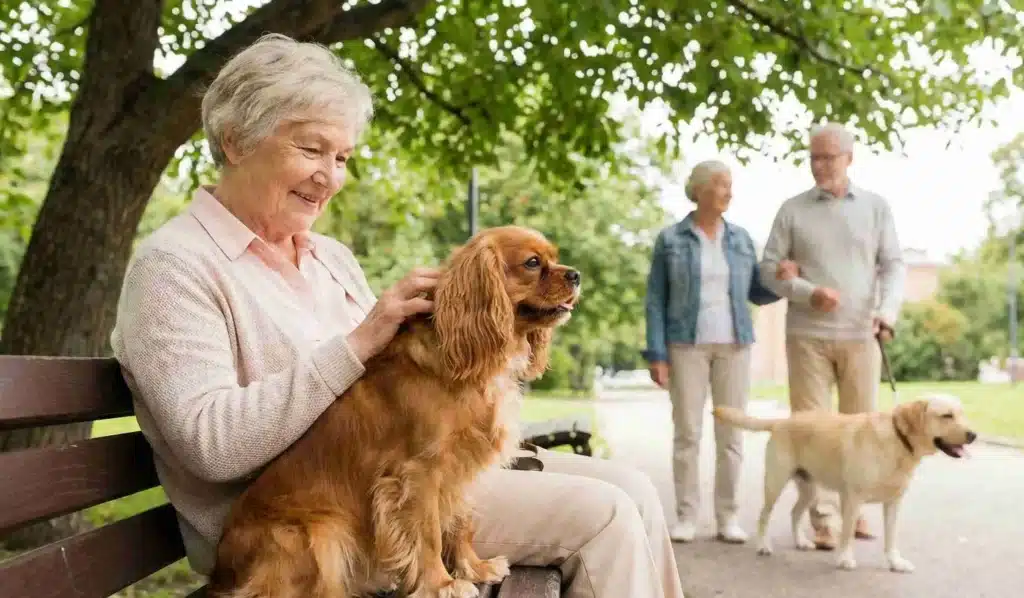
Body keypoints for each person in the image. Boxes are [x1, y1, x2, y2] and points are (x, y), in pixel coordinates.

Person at [110, 33, 685, 598]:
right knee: (606, 517)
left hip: (397, 491)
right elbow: (211, 445)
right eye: (311, 150)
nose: (329, 176)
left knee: (635, 486)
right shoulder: (175, 267)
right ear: (235, 141)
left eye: (341, 158)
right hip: (307, 532)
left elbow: (397, 401)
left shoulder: (327, 257)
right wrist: (359, 341)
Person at [759, 121, 906, 550]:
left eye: (828, 157)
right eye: (813, 157)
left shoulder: (876, 208)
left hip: (862, 334)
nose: (819, 165)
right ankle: (823, 521)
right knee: (815, 430)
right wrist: (806, 291)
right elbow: (769, 270)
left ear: (849, 158)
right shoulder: (792, 210)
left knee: (863, 428)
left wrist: (888, 312)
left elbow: (894, 265)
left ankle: (852, 515)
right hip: (807, 334)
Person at [643, 159, 789, 544]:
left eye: (730, 185)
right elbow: (656, 299)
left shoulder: (741, 239)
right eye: (721, 185)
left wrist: (782, 281)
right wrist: (656, 353)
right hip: (684, 345)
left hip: (735, 345)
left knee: (732, 435)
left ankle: (728, 517)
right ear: (701, 189)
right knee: (687, 433)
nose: (728, 192)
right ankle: (687, 516)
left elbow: (757, 291)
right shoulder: (671, 239)